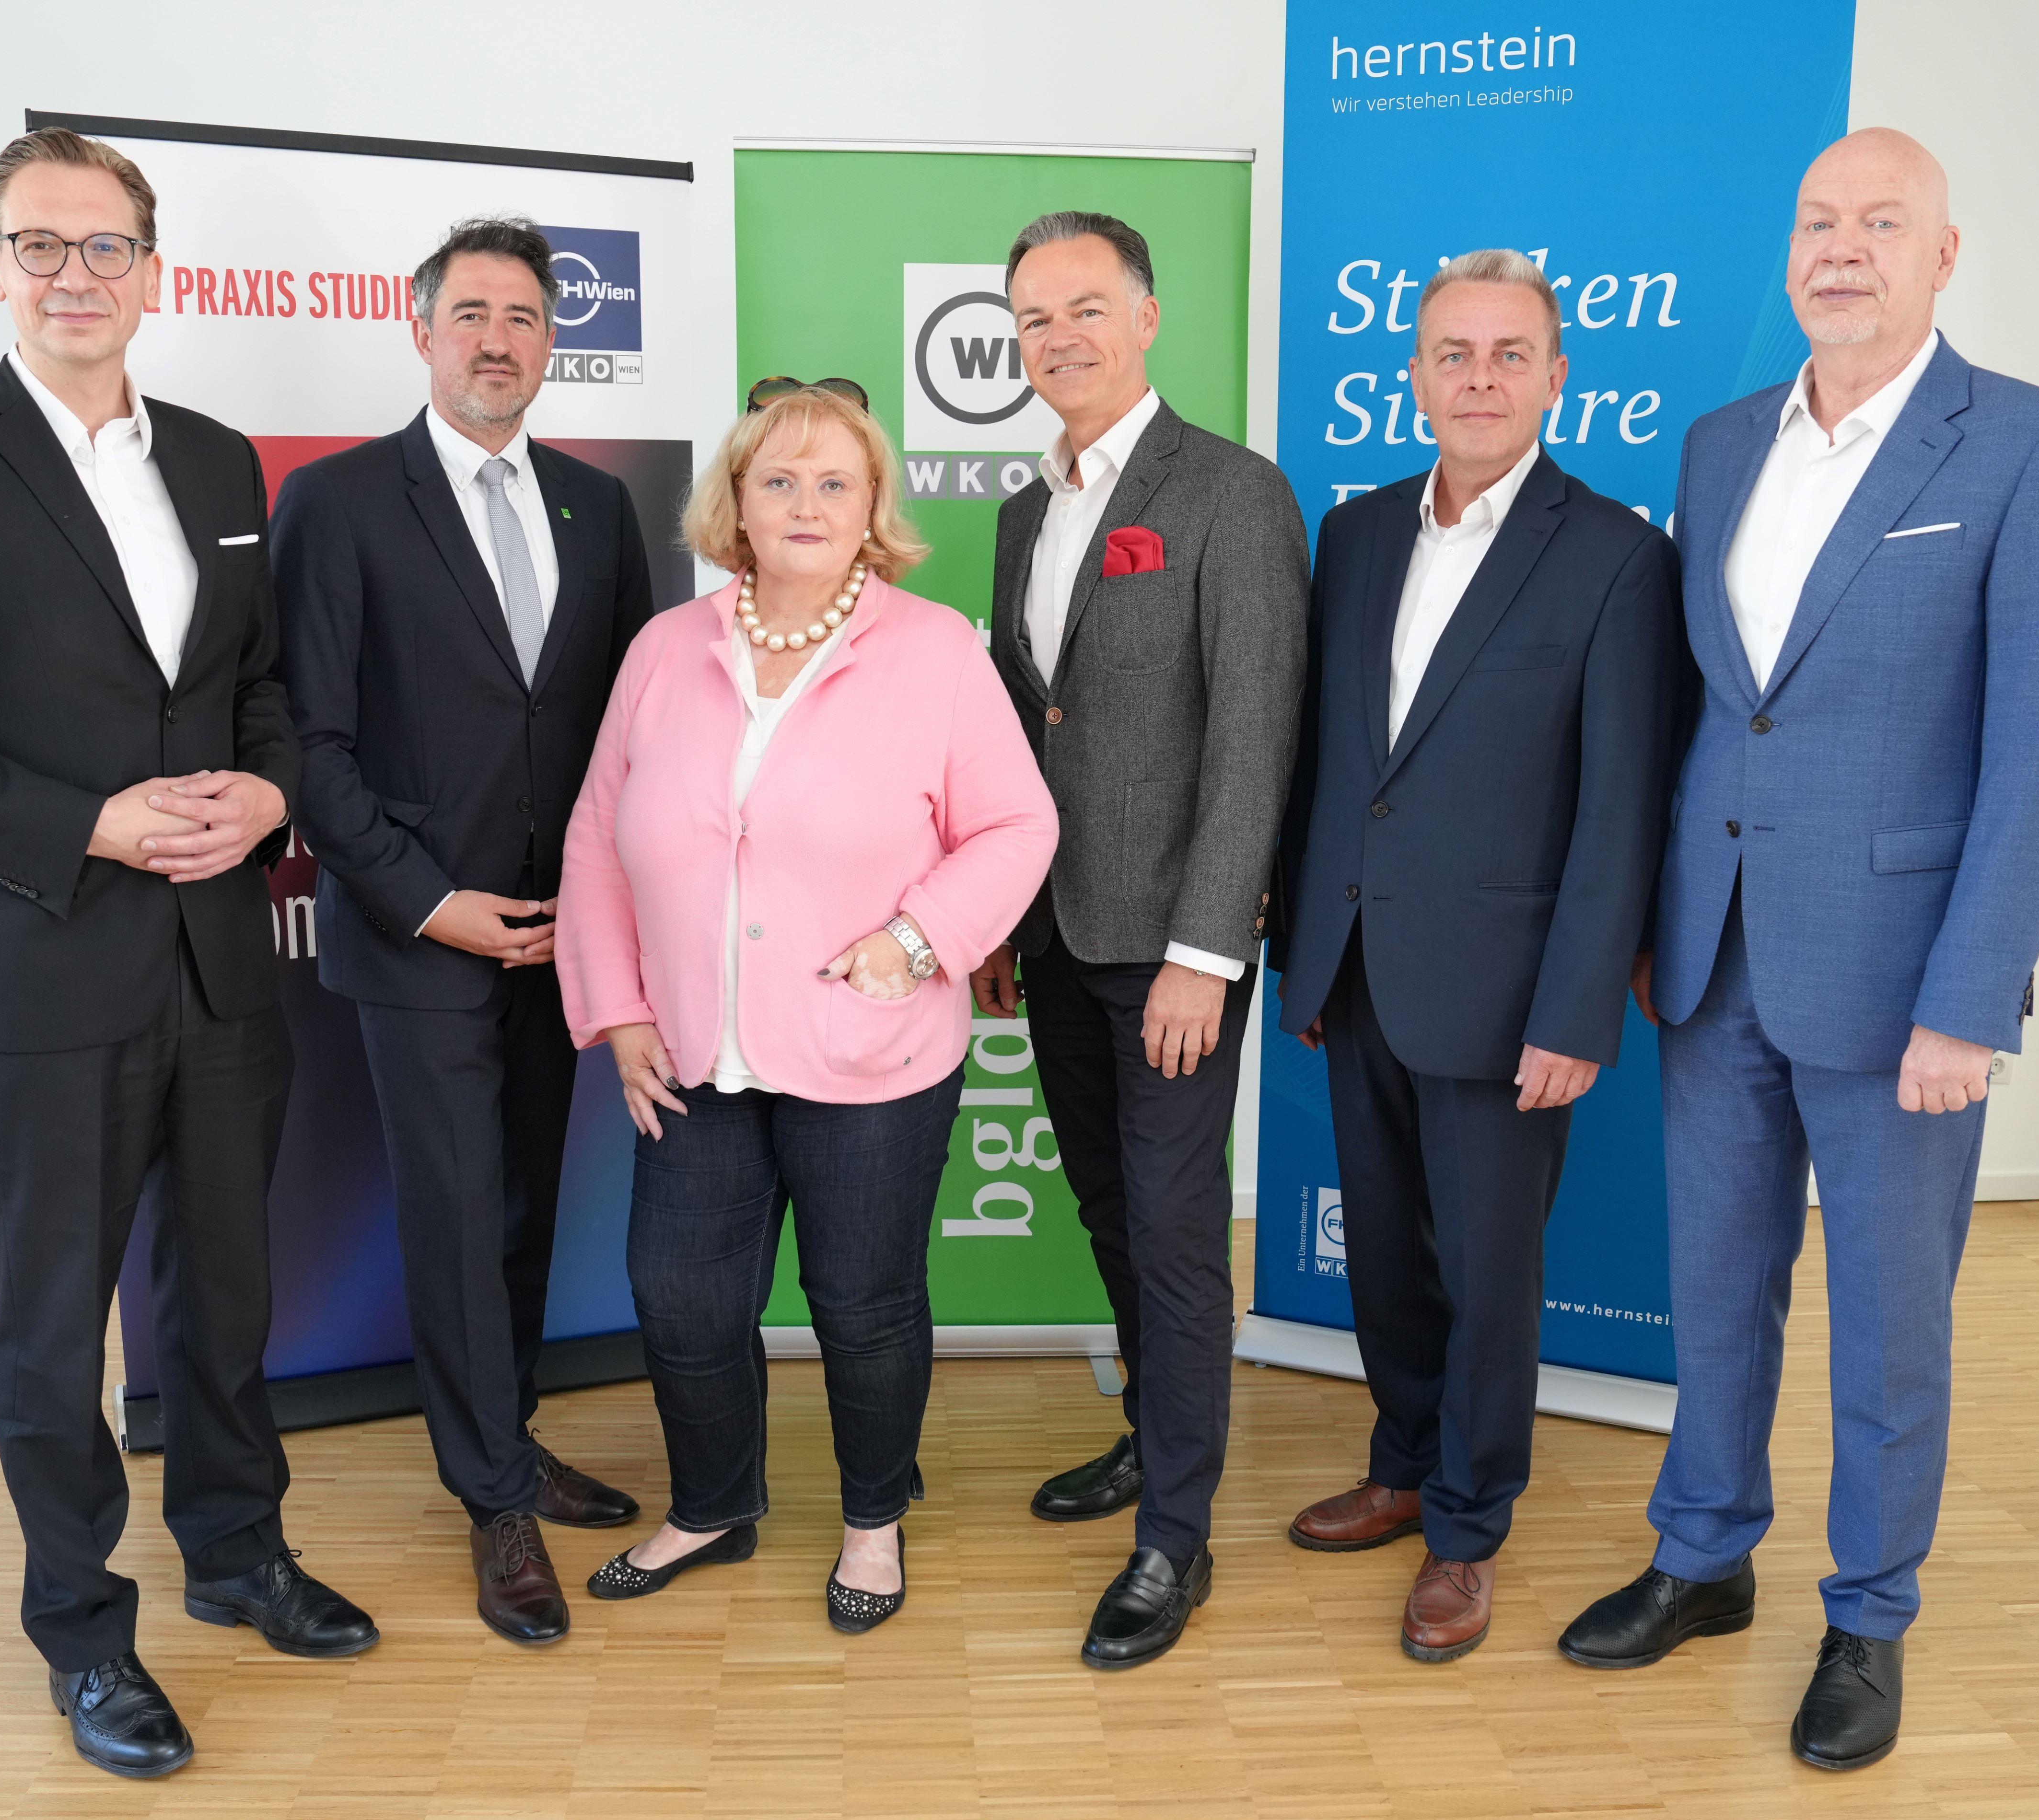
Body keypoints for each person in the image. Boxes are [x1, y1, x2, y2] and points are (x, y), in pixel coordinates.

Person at [0, 129, 376, 1781]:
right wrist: (91, 827)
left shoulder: (215, 459)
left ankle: (238, 1553)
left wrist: (271, 789)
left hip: (220, 960)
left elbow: (257, 688)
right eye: (40, 245)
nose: (76, 274)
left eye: (106, 244)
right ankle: (82, 1632)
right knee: (58, 1329)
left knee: (228, 1290)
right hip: (50, 969)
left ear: (153, 267)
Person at [1556, 130, 2039, 1771]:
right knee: (1715, 1287)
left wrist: (1972, 999)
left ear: (1945, 255)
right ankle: (1702, 1556)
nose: (1843, 247)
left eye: (1883, 221)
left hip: (1903, 983)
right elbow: (1710, 711)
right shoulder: (1723, 440)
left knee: (1888, 1323)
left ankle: (1869, 1616)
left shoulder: (2035, 447)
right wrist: (1656, 921)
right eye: (1820, 220)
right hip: (1716, 957)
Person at [557, 380, 1056, 1631]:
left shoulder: (935, 650)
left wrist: (917, 940)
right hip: (691, 1049)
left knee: (864, 1303)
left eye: (836, 482)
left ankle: (873, 1523)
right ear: (735, 501)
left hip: (871, 1054)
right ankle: (714, 1507)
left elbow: (1017, 824)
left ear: (874, 504)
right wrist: (617, 1010)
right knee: (682, 1295)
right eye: (778, 480)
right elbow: (597, 838)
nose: (806, 503)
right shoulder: (664, 650)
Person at [1270, 250, 1685, 1663]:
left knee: (1490, 1271)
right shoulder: (1356, 534)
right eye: (1454, 353)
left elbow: (1623, 806)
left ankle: (1467, 1523)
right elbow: (1332, 763)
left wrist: (1577, 1009)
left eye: (1512, 354)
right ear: (1415, 376)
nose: (1481, 379)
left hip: (1510, 995)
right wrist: (1307, 951)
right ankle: (1400, 1466)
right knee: (1386, 1252)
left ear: (1558, 377)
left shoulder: (1618, 554)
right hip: (1358, 968)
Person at [271, 217, 654, 1647]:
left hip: (562, 937)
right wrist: (433, 904)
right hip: (421, 934)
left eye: (525, 318)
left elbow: (629, 731)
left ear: (553, 343)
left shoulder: (598, 508)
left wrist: (610, 913)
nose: (500, 341)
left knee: (520, 1209)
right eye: (474, 315)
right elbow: (307, 742)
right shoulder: (338, 501)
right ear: (422, 329)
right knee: (448, 1212)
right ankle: (491, 1499)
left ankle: (508, 1436)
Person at [970, 212, 1307, 1669]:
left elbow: (1255, 739)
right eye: (1034, 319)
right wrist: (997, 917)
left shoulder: (1233, 492)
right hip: (1054, 935)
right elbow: (1016, 731)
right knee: (1109, 1208)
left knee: (1174, 1236)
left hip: (1173, 952)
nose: (1060, 340)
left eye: (1087, 309)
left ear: (1149, 318)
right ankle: (1150, 1433)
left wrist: (1205, 952)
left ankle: (1177, 1533)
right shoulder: (1021, 511)